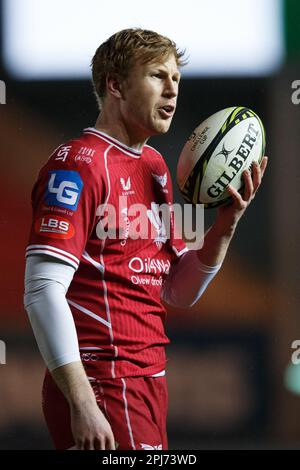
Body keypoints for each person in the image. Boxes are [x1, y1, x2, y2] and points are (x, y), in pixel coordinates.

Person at [24, 28, 268, 451]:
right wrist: (82, 400)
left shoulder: (154, 165)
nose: (172, 88)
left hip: (146, 379)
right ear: (115, 85)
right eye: (157, 75)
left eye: (177, 78)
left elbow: (176, 288)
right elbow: (42, 289)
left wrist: (225, 225)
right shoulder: (79, 165)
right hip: (104, 381)